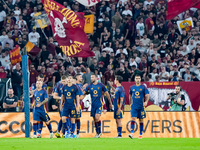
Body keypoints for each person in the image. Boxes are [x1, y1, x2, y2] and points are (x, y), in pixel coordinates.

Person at [84, 73, 112, 138]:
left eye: (93, 77)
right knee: (94, 119)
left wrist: (110, 103)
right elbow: (83, 92)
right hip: (93, 105)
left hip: (99, 104)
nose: (91, 79)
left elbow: (107, 93)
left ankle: (99, 132)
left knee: (97, 117)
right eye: (91, 77)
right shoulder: (89, 86)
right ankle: (98, 133)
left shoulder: (101, 85)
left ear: (96, 78)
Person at [129, 74, 149, 139]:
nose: (138, 79)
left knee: (141, 120)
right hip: (134, 106)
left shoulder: (143, 87)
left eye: (139, 78)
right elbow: (130, 95)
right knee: (133, 118)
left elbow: (147, 95)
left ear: (140, 79)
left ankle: (140, 134)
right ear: (134, 79)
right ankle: (132, 133)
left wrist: (146, 102)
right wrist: (130, 103)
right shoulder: (132, 87)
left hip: (141, 107)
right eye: (136, 78)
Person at [75, 74, 84, 138]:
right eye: (80, 77)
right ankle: (70, 132)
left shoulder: (80, 86)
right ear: (76, 78)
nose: (81, 78)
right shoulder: (75, 86)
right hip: (71, 105)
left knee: (77, 118)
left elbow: (81, 96)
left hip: (78, 105)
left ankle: (77, 133)